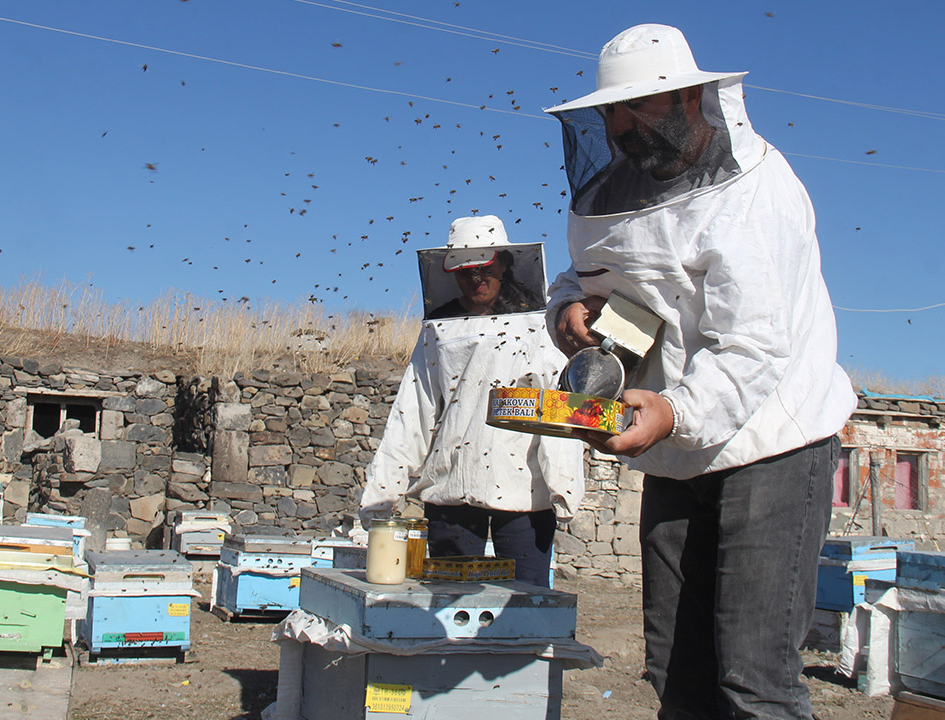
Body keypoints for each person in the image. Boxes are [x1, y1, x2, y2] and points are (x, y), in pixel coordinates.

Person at [542, 24, 857, 719]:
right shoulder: (617, 189)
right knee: (675, 671)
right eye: (612, 112)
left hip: (773, 439)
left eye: (637, 108)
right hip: (676, 452)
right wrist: (569, 312)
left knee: (754, 674)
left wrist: (675, 412)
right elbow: (582, 276)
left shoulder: (757, 194)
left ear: (689, 97)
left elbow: (754, 349)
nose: (621, 126)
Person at [360, 215, 583, 587]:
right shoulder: (440, 325)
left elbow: (556, 404)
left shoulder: (538, 322)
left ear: (504, 263)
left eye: (485, 269)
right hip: (451, 483)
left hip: (524, 488)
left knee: (526, 605)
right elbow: (415, 408)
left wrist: (564, 485)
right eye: (466, 272)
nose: (476, 280)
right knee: (449, 604)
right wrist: (383, 492)